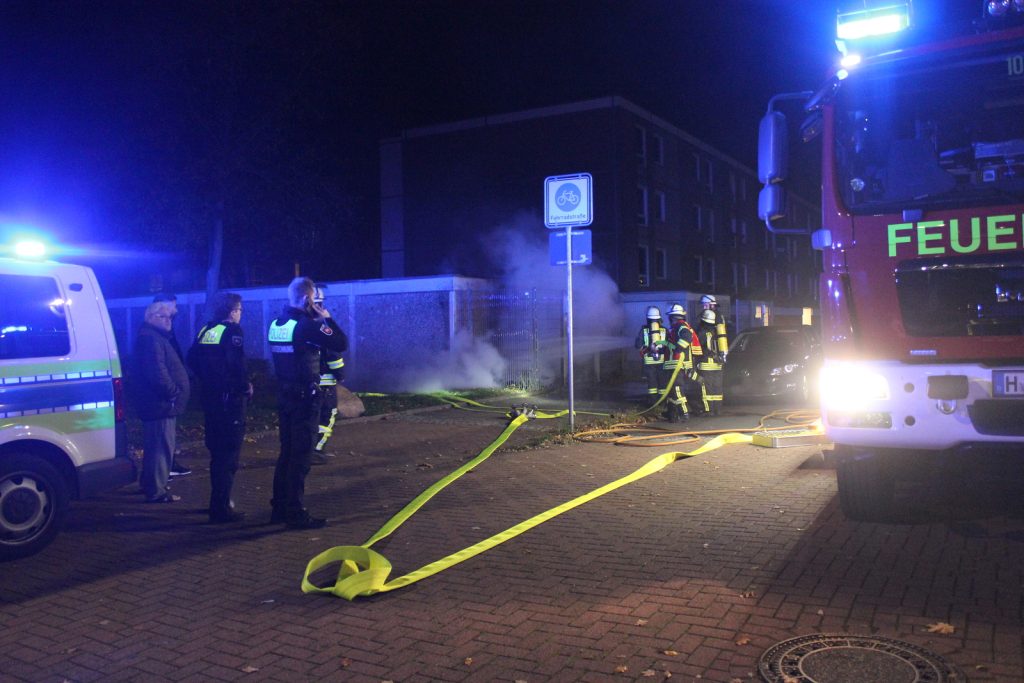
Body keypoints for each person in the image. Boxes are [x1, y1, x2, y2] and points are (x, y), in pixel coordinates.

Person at [267, 276, 348, 529]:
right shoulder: (306, 325)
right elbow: (340, 343)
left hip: (285, 395)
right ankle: (294, 511)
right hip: (305, 398)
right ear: (307, 299)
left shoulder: (277, 323)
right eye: (314, 299)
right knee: (301, 456)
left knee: (286, 454)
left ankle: (279, 507)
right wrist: (326, 317)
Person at [188, 292, 252, 523]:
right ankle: (221, 508)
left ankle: (216, 502)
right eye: (240, 310)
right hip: (230, 401)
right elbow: (238, 364)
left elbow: (192, 358)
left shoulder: (206, 330)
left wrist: (208, 378)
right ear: (233, 310)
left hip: (211, 399)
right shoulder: (233, 331)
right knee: (229, 455)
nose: (240, 314)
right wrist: (245, 386)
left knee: (216, 453)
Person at [134, 300, 191, 503]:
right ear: (150, 318)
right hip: (160, 404)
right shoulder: (151, 339)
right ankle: (157, 491)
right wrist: (173, 393)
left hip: (159, 403)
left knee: (155, 446)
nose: (168, 321)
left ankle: (149, 484)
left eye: (170, 317)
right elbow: (157, 372)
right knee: (161, 447)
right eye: (163, 316)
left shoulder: (153, 336)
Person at [153, 293, 192, 478]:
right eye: (173, 306)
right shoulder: (156, 334)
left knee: (166, 437)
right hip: (164, 398)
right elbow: (159, 367)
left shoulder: (165, 329)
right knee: (161, 438)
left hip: (169, 396)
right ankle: (161, 474)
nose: (176, 310)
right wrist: (173, 390)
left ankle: (166, 467)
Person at [311, 284, 345, 465]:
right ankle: (317, 450)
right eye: (320, 303)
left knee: (309, 418)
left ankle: (305, 450)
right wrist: (340, 374)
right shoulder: (322, 328)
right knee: (327, 417)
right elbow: (335, 352)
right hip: (325, 384)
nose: (323, 307)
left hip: (304, 385)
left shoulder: (295, 326)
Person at [662, 304, 694, 422]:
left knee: (677, 389)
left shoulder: (681, 326)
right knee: (672, 390)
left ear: (673, 317)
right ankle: (672, 413)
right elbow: (669, 345)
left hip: (678, 364)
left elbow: (687, 338)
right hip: (672, 364)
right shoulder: (675, 328)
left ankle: (684, 413)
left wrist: (677, 348)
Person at [696, 309, 725, 416]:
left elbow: (699, 347)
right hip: (718, 365)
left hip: (706, 364)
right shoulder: (718, 331)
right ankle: (718, 409)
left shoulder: (703, 332)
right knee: (717, 388)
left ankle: (708, 410)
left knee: (707, 388)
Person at [634, 306, 667, 400]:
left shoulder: (643, 330)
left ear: (648, 318)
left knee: (652, 383)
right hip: (662, 361)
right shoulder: (664, 330)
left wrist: (646, 347)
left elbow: (637, 345)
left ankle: (653, 402)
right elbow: (669, 345)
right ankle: (663, 402)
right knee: (662, 382)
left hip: (649, 362)